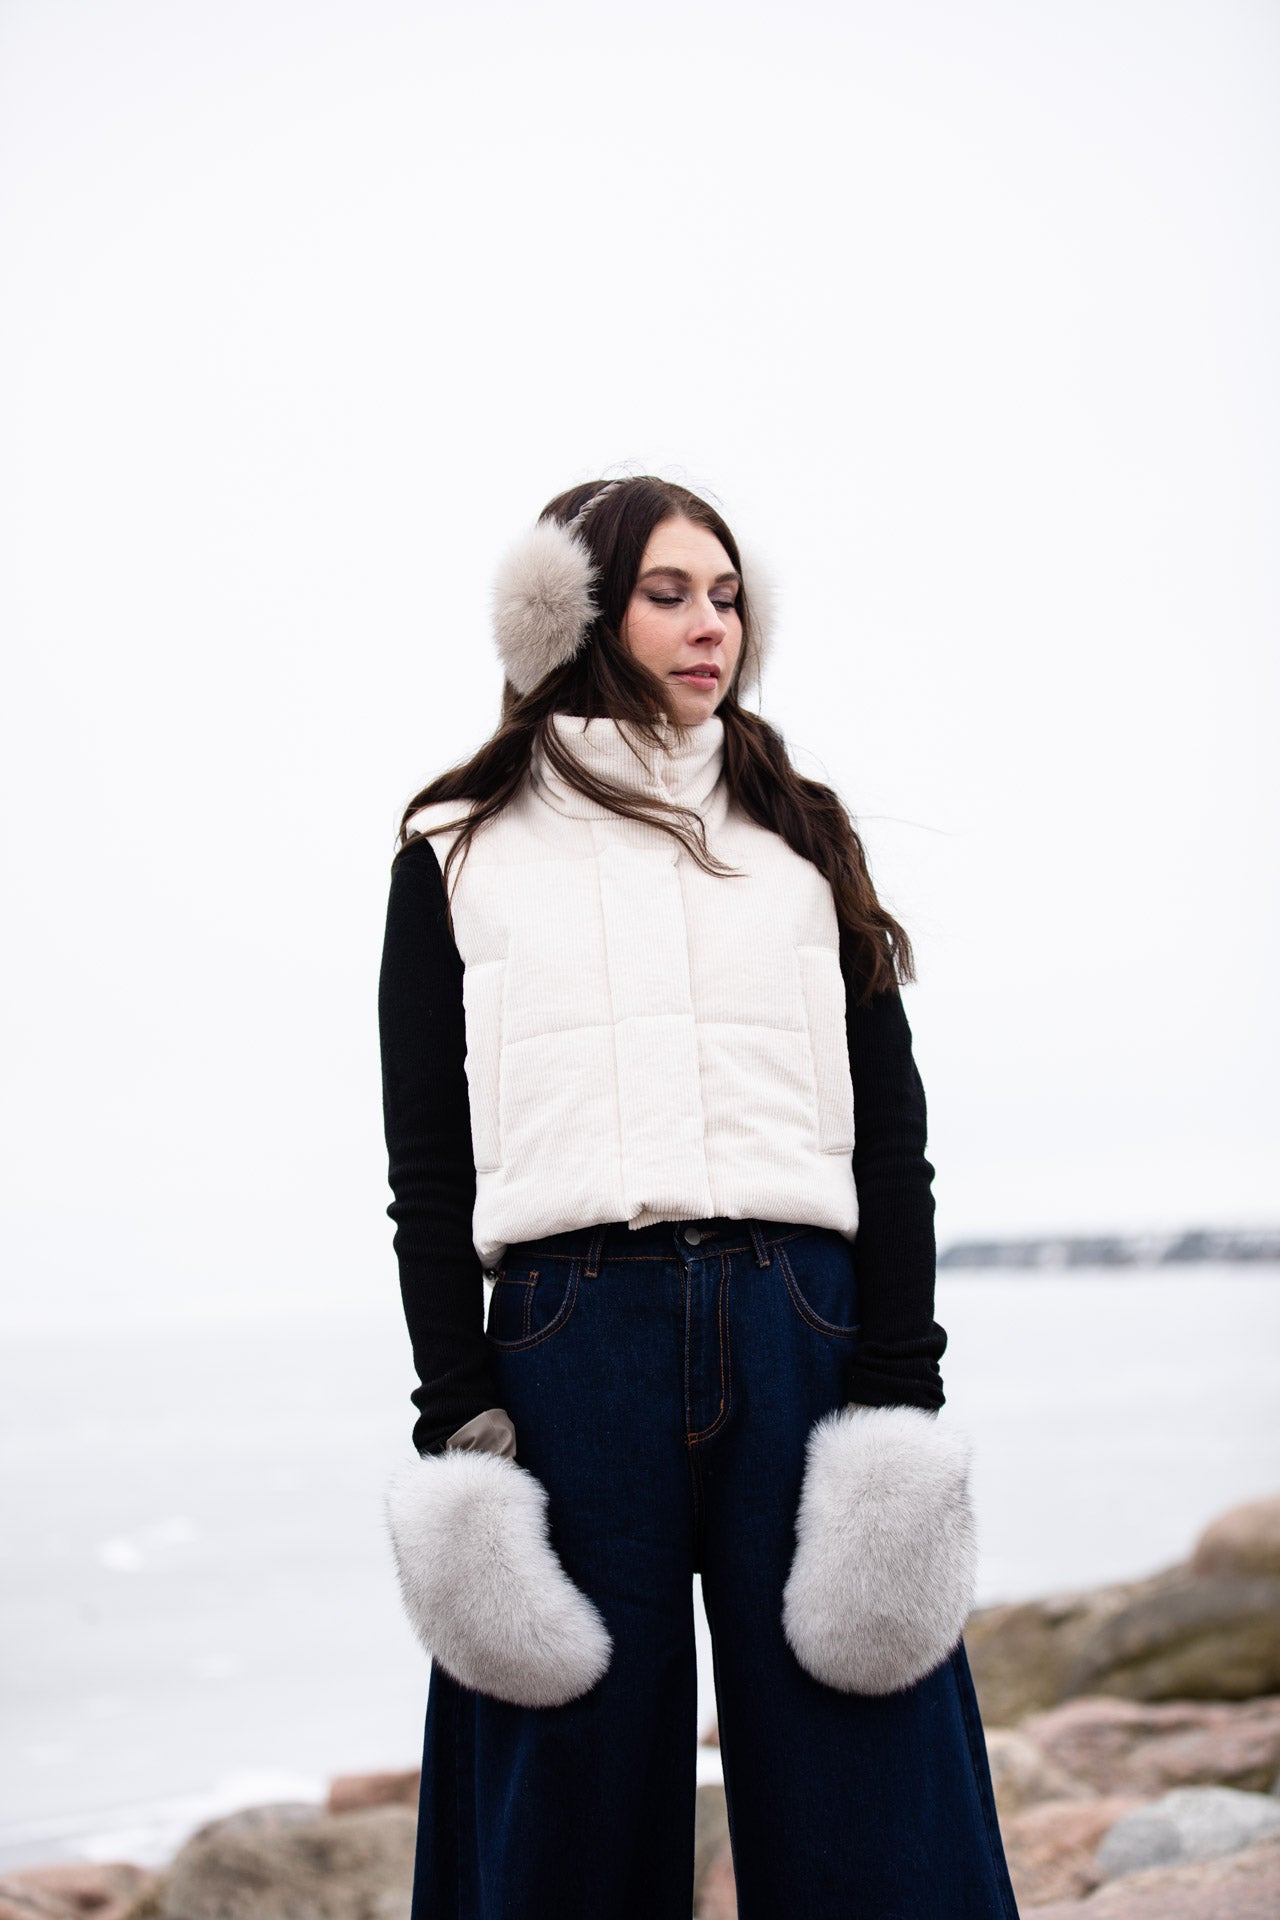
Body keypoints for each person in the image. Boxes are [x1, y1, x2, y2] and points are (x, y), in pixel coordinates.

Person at [378, 475, 1020, 1919]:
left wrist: (898, 1376)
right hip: (565, 1340)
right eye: (669, 591)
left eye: (726, 594)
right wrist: (457, 1402)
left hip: (803, 1319)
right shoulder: (455, 851)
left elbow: (891, 1141)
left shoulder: (800, 833)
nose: (709, 623)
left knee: (872, 1781)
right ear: (580, 612)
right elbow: (427, 1166)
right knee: (562, 1798)